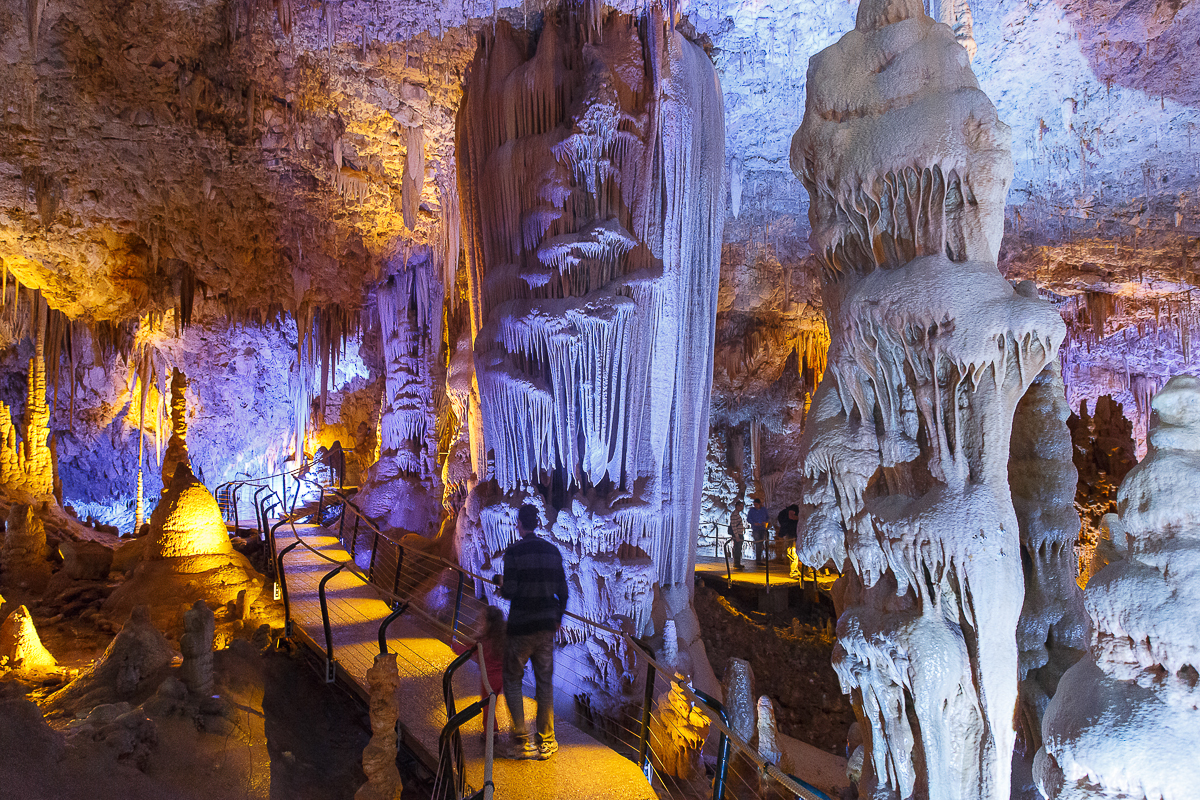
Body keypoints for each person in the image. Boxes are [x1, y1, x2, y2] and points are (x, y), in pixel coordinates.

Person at [497, 504, 568, 760]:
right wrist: (557, 618)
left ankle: (521, 741)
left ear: (520, 525)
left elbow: (511, 591)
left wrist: (502, 586)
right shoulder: (553, 552)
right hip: (546, 627)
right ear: (537, 524)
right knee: (544, 683)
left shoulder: (514, 553)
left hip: (522, 627)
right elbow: (563, 590)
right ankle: (547, 741)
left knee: (513, 679)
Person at [454, 605, 506, 732]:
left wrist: (453, 644)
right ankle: (519, 732)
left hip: (489, 679)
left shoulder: (482, 641)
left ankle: (491, 731)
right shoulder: (504, 638)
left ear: (487, 623)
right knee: (506, 703)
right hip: (505, 676)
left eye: (482, 619)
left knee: (488, 705)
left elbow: (465, 650)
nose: (479, 621)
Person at [747, 497, 770, 566]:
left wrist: (765, 522)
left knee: (761, 544)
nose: (755, 506)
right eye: (754, 504)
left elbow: (767, 517)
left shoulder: (764, 510)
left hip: (762, 529)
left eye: (756, 504)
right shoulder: (752, 510)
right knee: (758, 544)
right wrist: (754, 523)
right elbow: (748, 519)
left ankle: (760, 559)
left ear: (760, 504)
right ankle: (758, 560)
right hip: (756, 529)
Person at [728, 496, 746, 570]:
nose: (741, 508)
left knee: (739, 549)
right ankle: (736, 563)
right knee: (737, 549)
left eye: (742, 506)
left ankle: (738, 563)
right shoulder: (734, 515)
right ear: (736, 506)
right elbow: (734, 526)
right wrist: (737, 536)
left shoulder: (737, 514)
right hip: (737, 535)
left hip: (739, 534)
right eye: (740, 506)